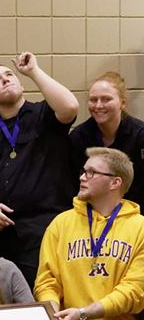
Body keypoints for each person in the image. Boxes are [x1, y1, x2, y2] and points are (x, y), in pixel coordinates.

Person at [34, 147, 144, 320]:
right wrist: (53, 314)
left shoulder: (142, 227)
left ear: (115, 182)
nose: (82, 177)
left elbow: (135, 290)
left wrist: (85, 313)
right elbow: (47, 282)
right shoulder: (60, 224)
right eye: (83, 171)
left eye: (91, 172)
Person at [0, 52, 79, 288]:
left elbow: (70, 107)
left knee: (37, 299)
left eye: (9, 74)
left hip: (42, 229)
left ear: (22, 85)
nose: (5, 80)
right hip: (3, 231)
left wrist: (33, 70)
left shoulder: (43, 114)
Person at [70, 72, 144, 225]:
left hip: (136, 211)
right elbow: (75, 182)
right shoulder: (78, 136)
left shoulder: (143, 135)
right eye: (93, 100)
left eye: (106, 99)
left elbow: (143, 185)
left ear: (122, 103)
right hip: (92, 212)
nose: (98, 105)